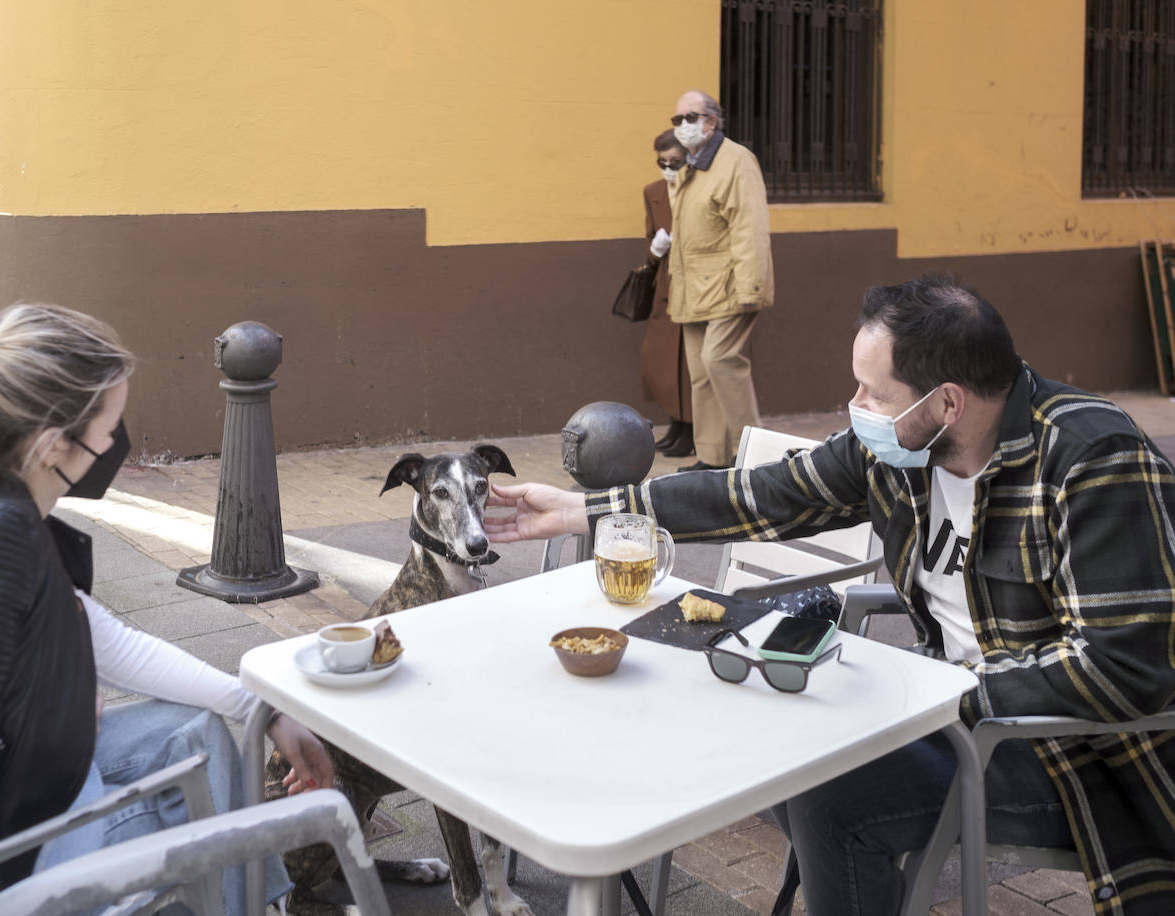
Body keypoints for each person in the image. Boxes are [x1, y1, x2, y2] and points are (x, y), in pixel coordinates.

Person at [486, 274, 1175, 915]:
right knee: (771, 742)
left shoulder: (1093, 460)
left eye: (875, 394)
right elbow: (762, 495)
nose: (857, 411)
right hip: (950, 719)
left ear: (947, 403)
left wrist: (930, 694)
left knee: (832, 796)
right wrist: (586, 510)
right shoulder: (902, 448)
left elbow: (1121, 670)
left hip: (1073, 758)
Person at [0, 304, 335, 914]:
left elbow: (104, 643)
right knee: (221, 825)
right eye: (110, 424)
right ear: (57, 444)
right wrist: (61, 706)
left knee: (202, 732)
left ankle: (246, 902)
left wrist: (259, 709)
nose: (115, 441)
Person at [667, 89, 773, 472]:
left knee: (720, 359)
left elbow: (750, 227)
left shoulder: (737, 161)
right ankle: (713, 458)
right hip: (694, 287)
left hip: (729, 284)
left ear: (712, 121)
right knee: (701, 373)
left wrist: (751, 286)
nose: (682, 126)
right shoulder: (689, 164)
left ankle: (755, 458)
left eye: (690, 118)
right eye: (677, 120)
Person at [642, 129, 694, 458]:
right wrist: (657, 248)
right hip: (665, 285)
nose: (668, 168)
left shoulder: (699, 188)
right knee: (663, 361)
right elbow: (649, 245)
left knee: (690, 362)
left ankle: (691, 430)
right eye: (662, 162)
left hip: (695, 286)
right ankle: (676, 424)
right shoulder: (653, 192)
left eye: (675, 162)